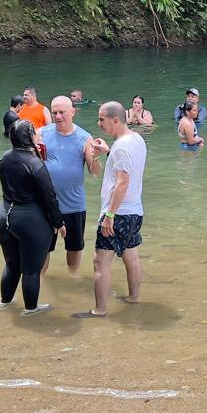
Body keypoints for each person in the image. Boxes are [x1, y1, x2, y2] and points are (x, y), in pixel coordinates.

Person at [73, 102, 146, 319]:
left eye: (102, 119)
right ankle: (134, 297)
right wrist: (108, 152)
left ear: (115, 120)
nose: (99, 123)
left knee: (100, 261)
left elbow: (122, 182)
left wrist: (109, 216)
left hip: (119, 214)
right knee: (131, 255)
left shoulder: (122, 147)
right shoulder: (136, 140)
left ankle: (100, 310)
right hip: (134, 212)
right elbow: (125, 166)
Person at [0, 120, 66, 315]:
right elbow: (49, 196)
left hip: (4, 215)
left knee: (11, 265)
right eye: (35, 133)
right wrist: (58, 223)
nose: (38, 136)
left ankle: (4, 303)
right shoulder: (35, 164)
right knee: (31, 269)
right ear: (29, 138)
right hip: (30, 219)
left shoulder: (4, 159)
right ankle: (31, 309)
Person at [40, 97, 101, 277]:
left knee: (74, 247)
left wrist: (96, 156)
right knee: (44, 246)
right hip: (46, 203)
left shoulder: (84, 137)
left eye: (62, 112)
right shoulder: (41, 133)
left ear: (72, 112)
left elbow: (95, 172)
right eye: (54, 112)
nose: (58, 116)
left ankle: (72, 276)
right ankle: (40, 280)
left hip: (73, 203)